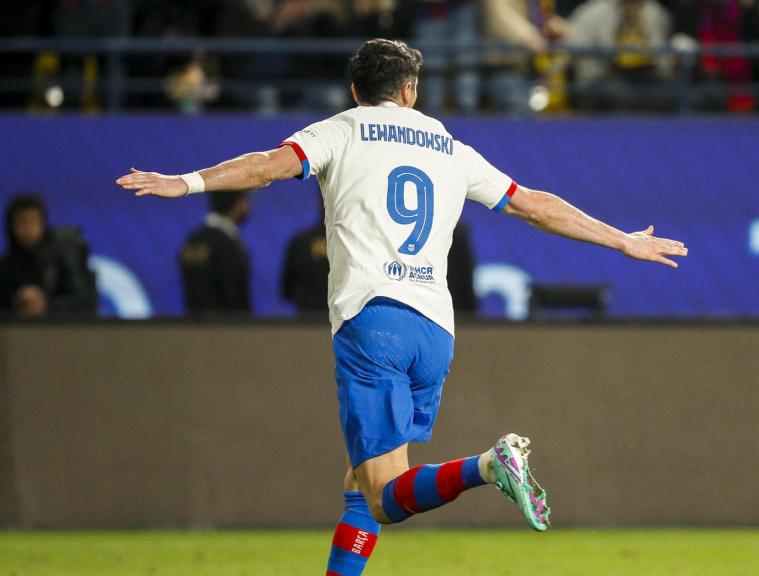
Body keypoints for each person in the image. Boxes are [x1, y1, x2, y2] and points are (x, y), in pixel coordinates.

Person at [116, 38, 686, 575]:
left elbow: (267, 167)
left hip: (371, 320)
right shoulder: (451, 147)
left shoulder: (340, 130)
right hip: (435, 331)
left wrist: (184, 182)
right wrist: (623, 240)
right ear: (410, 90)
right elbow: (534, 206)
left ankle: (490, 465)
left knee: (387, 497)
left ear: (356, 91)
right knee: (361, 483)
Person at [0, 195, 97, 318]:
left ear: (43, 224)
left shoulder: (62, 260)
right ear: (11, 226)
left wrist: (46, 304)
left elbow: (86, 302)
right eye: (22, 222)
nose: (28, 230)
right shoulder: (5, 267)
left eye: (33, 221)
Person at [179, 191, 252, 314]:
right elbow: (234, 296)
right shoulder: (226, 244)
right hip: (226, 329)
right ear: (236, 203)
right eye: (245, 200)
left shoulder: (193, 240)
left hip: (193, 329)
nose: (248, 206)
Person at [281, 208, 330, 314]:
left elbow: (287, 290)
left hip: (307, 322)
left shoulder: (300, 242)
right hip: (346, 322)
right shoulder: (357, 245)